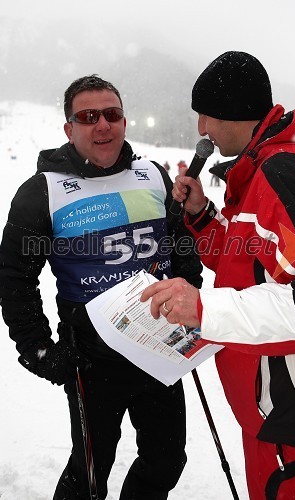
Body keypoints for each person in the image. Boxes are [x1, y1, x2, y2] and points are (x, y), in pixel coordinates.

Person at [140, 51, 295, 499]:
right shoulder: (264, 170)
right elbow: (255, 262)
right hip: (275, 410)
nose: (201, 130)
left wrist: (205, 307)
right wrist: (203, 216)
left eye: (206, 116)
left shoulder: (286, 170)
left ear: (236, 113)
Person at [0, 75, 203, 500]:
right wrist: (40, 350)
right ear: (68, 129)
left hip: (158, 346)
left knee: (167, 459)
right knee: (91, 473)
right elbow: (14, 278)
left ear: (125, 121)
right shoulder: (42, 192)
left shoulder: (153, 175)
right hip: (92, 359)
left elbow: (181, 241)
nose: (102, 125)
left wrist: (190, 292)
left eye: (111, 115)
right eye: (88, 117)